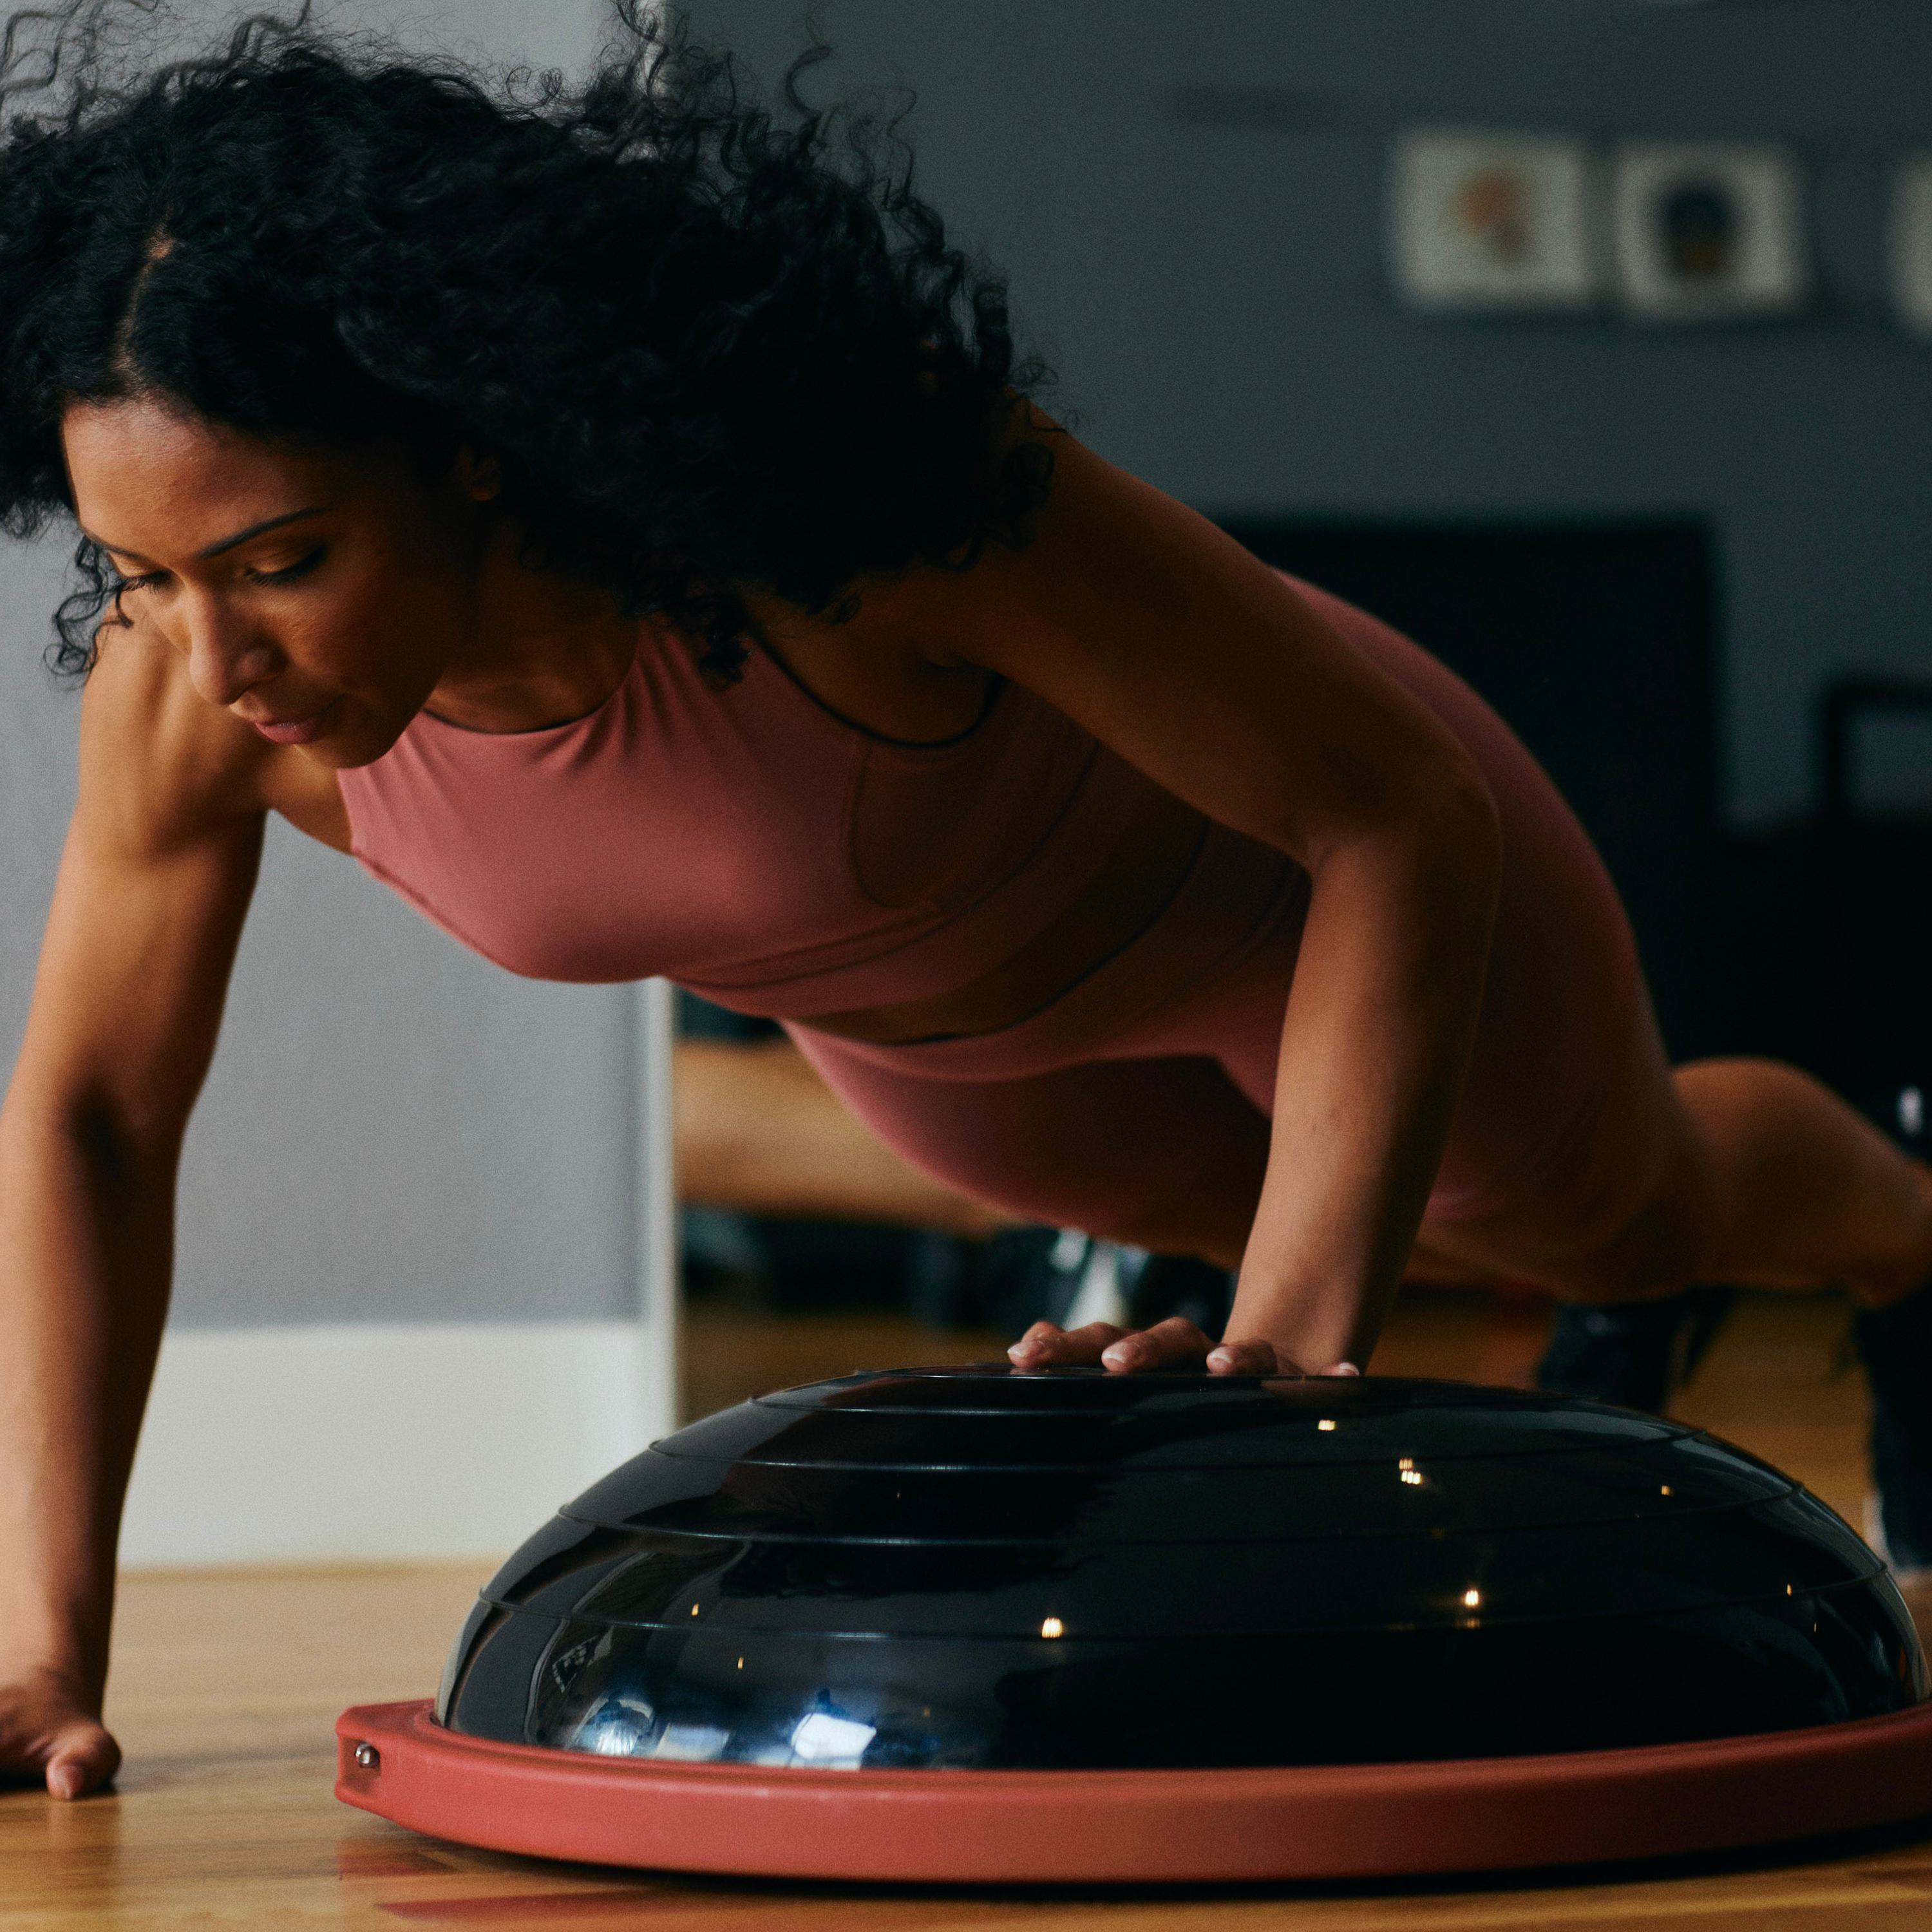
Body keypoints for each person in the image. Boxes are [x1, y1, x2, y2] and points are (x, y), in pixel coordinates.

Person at [2, 3, 1929, 1803]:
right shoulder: (198, 705)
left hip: (1304, 886)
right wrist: (43, 1651)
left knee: (1610, 1220)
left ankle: (1907, 1229)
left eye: (282, 560)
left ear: (472, 445)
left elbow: (1388, 813)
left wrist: (1285, 1366)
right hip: (965, 1063)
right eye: (142, 574)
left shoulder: (832, 496)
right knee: (1410, 1260)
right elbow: (93, 1116)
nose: (209, 651)